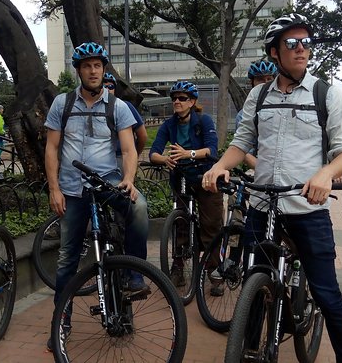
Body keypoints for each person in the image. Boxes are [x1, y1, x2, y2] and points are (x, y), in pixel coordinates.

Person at [202, 13, 342, 363]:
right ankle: (247, 351)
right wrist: (219, 166)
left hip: (307, 210)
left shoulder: (327, 93)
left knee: (327, 294)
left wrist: (324, 175)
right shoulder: (258, 96)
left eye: (306, 42)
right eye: (292, 43)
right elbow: (241, 144)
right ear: (275, 52)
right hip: (263, 207)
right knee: (254, 286)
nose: (301, 48)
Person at [44, 41, 149, 351]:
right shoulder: (62, 104)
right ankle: (61, 323)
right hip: (73, 189)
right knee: (67, 261)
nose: (93, 71)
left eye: (98, 66)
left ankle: (134, 276)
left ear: (104, 70)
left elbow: (129, 150)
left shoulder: (117, 106)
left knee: (139, 207)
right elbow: (51, 148)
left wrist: (128, 179)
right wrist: (53, 188)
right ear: (78, 70)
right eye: (87, 66)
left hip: (107, 182)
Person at [148, 80, 224, 288]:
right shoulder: (169, 124)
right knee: (180, 223)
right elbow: (153, 152)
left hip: (205, 177)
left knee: (211, 223)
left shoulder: (204, 121)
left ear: (192, 102)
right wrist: (165, 159)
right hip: (180, 177)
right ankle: (178, 266)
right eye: (174, 99)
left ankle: (214, 268)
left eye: (182, 98)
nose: (177, 102)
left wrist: (188, 153)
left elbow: (212, 150)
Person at [234, 59, 279, 169]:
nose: (265, 83)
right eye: (260, 79)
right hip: (260, 169)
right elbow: (243, 149)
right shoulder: (243, 115)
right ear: (252, 83)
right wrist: (265, 172)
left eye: (269, 79)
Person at [102, 72, 148, 162]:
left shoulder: (125, 106)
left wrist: (134, 157)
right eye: (104, 87)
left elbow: (142, 135)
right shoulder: (92, 108)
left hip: (120, 157)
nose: (107, 89)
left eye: (111, 87)